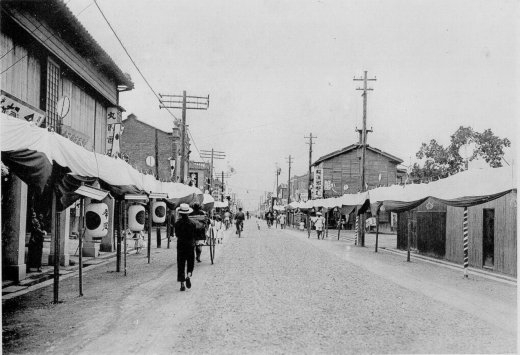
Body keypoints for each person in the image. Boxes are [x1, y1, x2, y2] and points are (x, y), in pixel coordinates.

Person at [174, 204, 196, 291]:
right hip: (190, 245)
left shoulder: (177, 224)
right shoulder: (192, 223)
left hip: (181, 245)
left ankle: (182, 284)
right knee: (190, 262)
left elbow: (177, 235)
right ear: (188, 213)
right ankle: (188, 275)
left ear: (180, 213)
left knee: (181, 264)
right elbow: (194, 235)